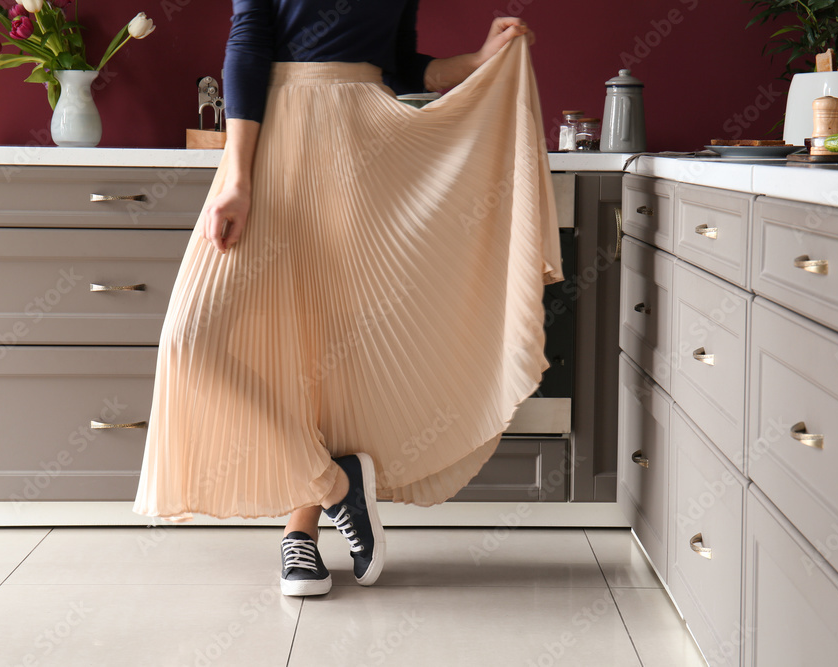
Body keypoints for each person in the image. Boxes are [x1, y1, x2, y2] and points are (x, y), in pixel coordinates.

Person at [133, 0, 562, 598]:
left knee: (328, 352)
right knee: (191, 340)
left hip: (366, 152)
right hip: (277, 146)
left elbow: (396, 66)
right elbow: (249, 45)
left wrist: (477, 60)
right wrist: (236, 176)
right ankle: (338, 488)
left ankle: (299, 532)